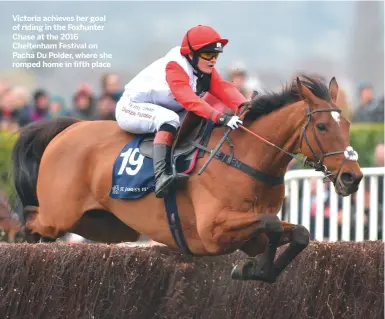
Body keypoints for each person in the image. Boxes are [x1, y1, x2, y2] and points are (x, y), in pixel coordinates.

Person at [115, 25, 247, 198]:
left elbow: (224, 88)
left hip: (163, 108)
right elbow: (189, 100)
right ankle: (161, 177)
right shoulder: (175, 67)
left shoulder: (203, 68)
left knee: (195, 121)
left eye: (215, 55)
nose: (213, 60)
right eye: (208, 55)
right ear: (191, 54)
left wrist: (246, 106)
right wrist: (220, 117)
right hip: (131, 107)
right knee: (170, 119)